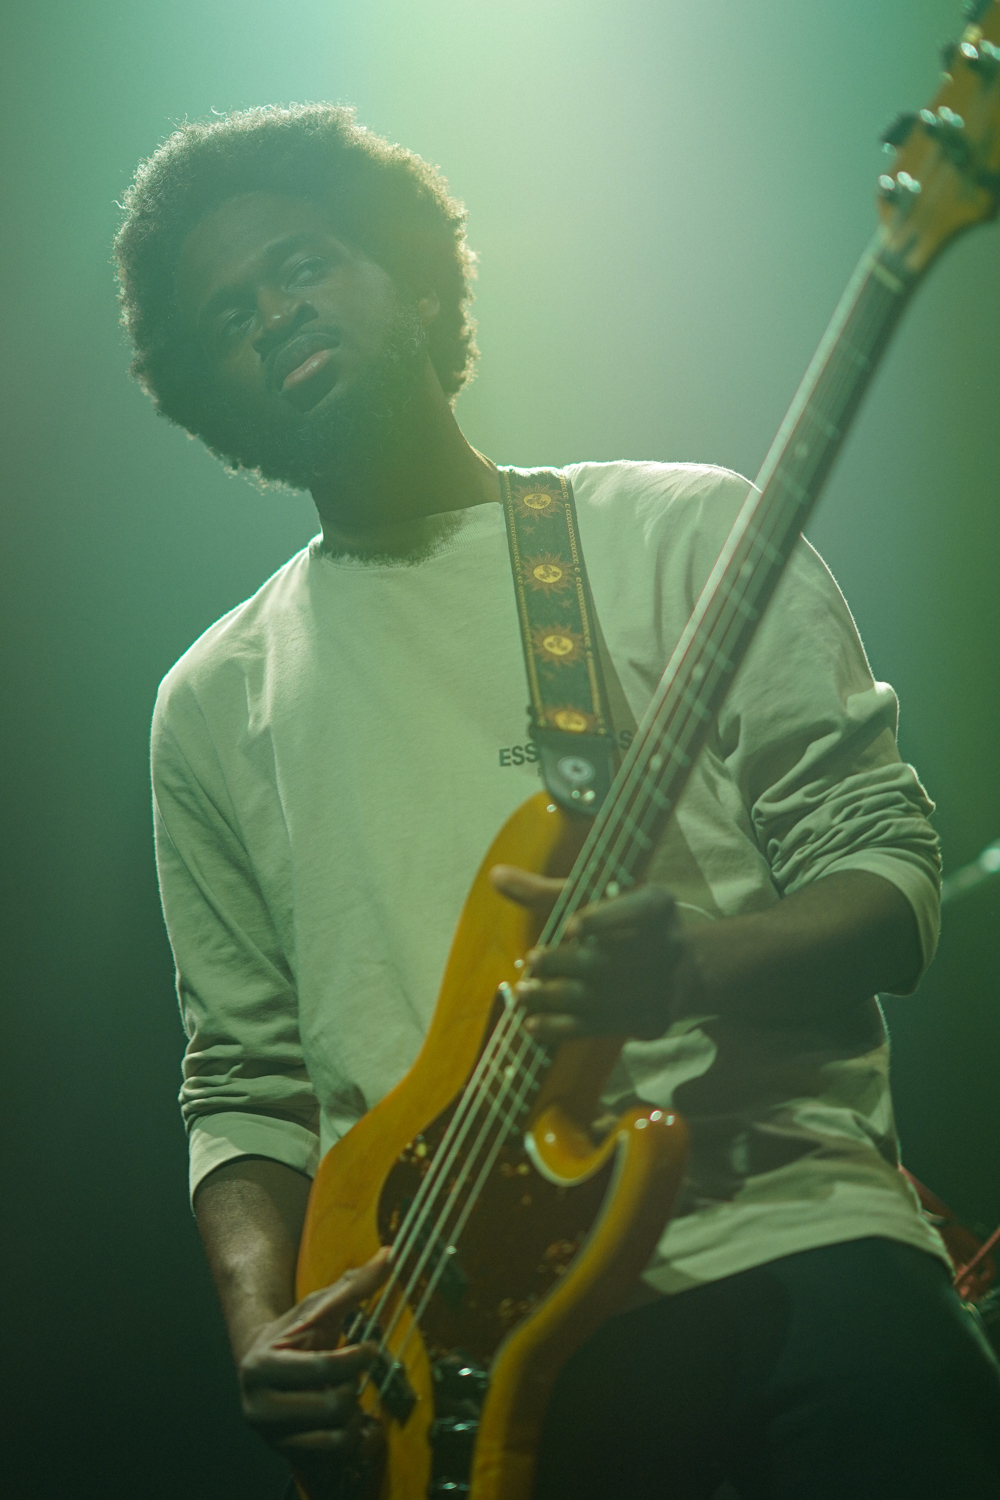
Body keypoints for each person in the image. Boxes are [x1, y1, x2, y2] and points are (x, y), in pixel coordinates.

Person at [115, 104, 1000, 1499]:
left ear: (417, 278)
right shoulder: (211, 703)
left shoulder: (680, 528)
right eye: (229, 316)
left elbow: (885, 876)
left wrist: (692, 965)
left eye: (302, 263)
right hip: (468, 1365)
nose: (274, 314)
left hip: (789, 1249)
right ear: (213, 402)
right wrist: (261, 1327)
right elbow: (244, 1083)